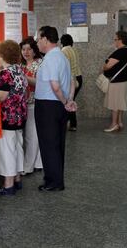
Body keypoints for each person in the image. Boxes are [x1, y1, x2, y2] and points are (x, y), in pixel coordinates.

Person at [35, 26, 76, 192]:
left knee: (49, 144)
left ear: (45, 39)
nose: (37, 42)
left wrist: (65, 100)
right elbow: (73, 81)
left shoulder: (51, 58)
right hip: (58, 106)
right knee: (57, 144)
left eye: (38, 39)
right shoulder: (62, 56)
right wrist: (69, 100)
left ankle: (53, 182)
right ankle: (56, 179)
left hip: (48, 106)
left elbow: (55, 85)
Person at [0, 40, 28, 196]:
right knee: (17, 147)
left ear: (1, 54)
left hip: (7, 118)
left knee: (7, 151)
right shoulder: (18, 70)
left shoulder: (6, 74)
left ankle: (8, 185)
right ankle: (17, 179)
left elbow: (1, 96)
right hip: (20, 116)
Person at [19, 36, 43, 174]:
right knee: (32, 136)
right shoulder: (21, 65)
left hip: (35, 103)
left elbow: (40, 82)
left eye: (29, 49)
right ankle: (37, 163)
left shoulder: (39, 63)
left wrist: (24, 78)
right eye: (23, 49)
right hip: (23, 105)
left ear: (35, 51)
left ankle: (28, 166)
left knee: (31, 136)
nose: (26, 52)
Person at [101, 30, 127, 132]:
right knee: (120, 102)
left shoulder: (120, 51)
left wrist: (104, 65)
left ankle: (114, 124)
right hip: (122, 80)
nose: (114, 41)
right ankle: (119, 122)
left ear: (120, 40)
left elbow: (107, 66)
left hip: (116, 81)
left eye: (115, 39)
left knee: (115, 103)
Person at [61, 34, 83, 131]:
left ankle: (69, 123)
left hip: (71, 79)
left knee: (68, 102)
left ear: (62, 42)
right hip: (79, 77)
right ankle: (72, 124)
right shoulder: (74, 50)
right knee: (71, 100)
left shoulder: (64, 50)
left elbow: (63, 67)